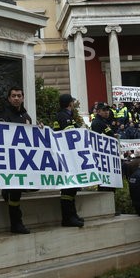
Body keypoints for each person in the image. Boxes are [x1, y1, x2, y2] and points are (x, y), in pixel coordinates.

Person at [0, 86, 33, 235]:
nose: (16, 98)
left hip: (22, 161)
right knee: (15, 193)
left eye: (19, 95)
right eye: (13, 96)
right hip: (9, 160)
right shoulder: (4, 115)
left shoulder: (26, 117)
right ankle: (16, 224)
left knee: (18, 192)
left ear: (23, 98)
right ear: (9, 98)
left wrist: (38, 129)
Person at [55, 93, 85, 227]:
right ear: (70, 103)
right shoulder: (63, 116)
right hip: (67, 158)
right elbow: (71, 136)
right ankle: (67, 218)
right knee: (68, 190)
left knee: (72, 189)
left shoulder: (66, 116)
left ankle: (72, 215)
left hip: (70, 157)